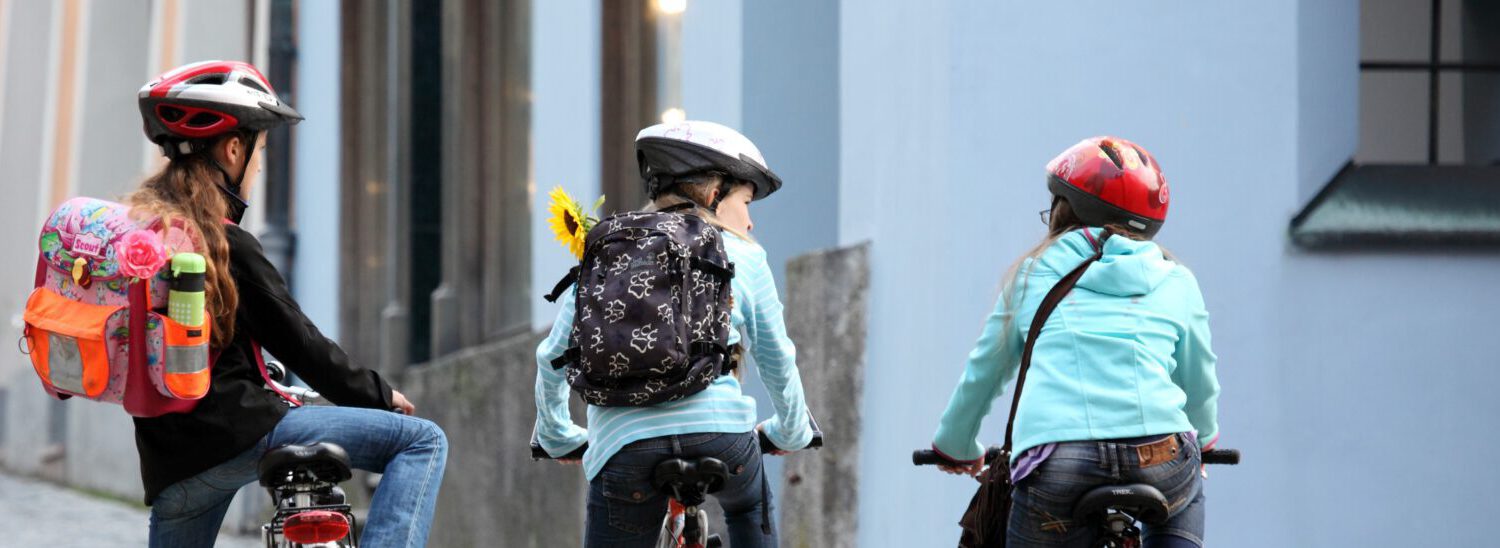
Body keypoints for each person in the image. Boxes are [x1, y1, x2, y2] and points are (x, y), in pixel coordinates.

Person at [129, 60, 447, 547]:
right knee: (423, 441)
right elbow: (301, 345)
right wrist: (379, 396)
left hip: (171, 463)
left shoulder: (143, 242)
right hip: (244, 432)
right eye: (259, 151)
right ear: (233, 149)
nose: (258, 166)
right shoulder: (224, 243)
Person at [534, 120, 815, 547]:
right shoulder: (744, 255)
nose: (751, 221)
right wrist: (791, 431)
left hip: (623, 447)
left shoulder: (607, 255)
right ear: (712, 192)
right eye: (745, 201)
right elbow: (777, 356)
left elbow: (553, 357)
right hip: (723, 437)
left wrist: (558, 437)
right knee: (749, 507)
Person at [930, 136, 1220, 547]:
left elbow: (984, 372)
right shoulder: (1177, 281)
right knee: (1184, 498)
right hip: (1160, 454)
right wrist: (1205, 441)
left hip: (1059, 461)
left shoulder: (1032, 273)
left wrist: (955, 445)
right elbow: (1199, 379)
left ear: (1064, 210)